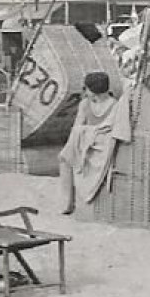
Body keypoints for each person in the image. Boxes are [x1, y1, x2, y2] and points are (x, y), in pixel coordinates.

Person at [57, 71, 122, 215]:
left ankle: (68, 202)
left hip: (102, 147)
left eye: (86, 89)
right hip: (87, 143)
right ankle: (68, 202)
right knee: (65, 157)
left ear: (92, 91)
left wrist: (87, 133)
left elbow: (108, 130)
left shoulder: (114, 105)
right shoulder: (87, 104)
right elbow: (78, 128)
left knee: (66, 156)